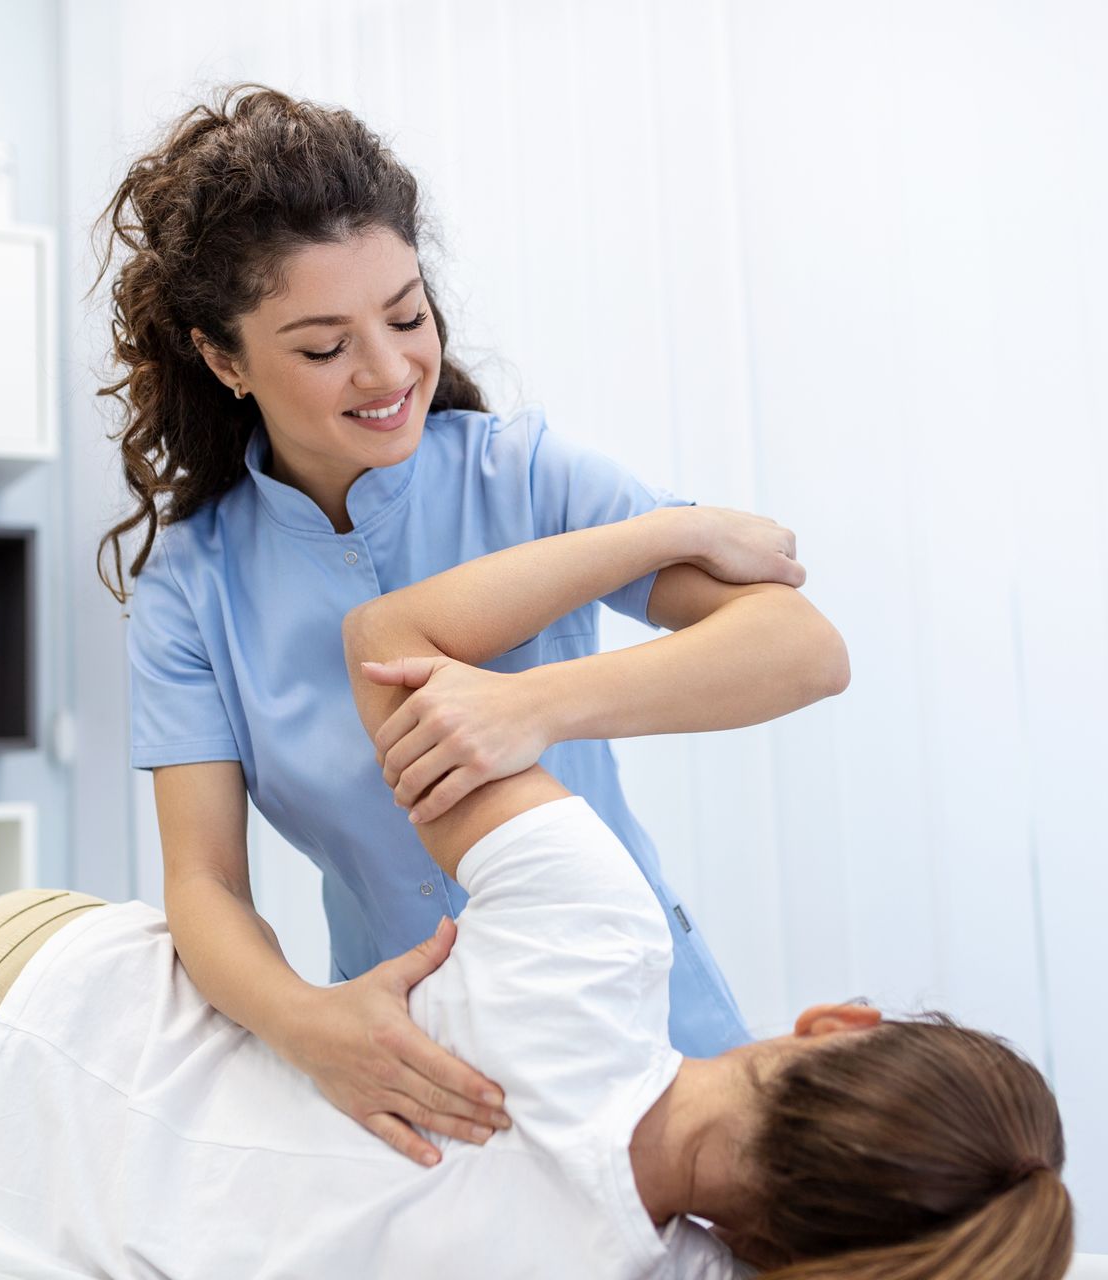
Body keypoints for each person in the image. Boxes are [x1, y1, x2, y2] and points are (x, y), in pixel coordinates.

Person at [0, 508, 1073, 1280]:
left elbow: (394, 643)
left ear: (837, 1022)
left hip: (25, 981)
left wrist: (645, 564)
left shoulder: (592, 944)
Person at [94, 81, 852, 1170]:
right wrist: (312, 1026)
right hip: (417, 1069)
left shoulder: (523, 476)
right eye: (323, 346)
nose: (391, 368)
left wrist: (532, 704)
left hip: (649, 1040)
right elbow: (204, 882)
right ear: (225, 359)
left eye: (407, 314)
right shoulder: (192, 586)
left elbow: (804, 649)